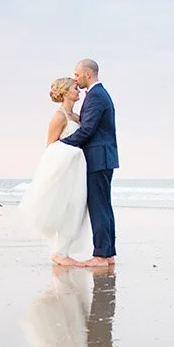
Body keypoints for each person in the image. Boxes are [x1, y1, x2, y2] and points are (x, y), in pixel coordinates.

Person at [17, 77, 93, 264]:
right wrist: (72, 152)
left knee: (76, 207)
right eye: (75, 88)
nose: (78, 91)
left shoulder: (77, 116)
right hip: (64, 169)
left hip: (77, 169)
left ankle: (63, 251)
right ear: (66, 91)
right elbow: (50, 146)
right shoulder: (60, 117)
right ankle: (59, 253)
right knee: (65, 207)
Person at [60, 58, 118, 266]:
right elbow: (89, 124)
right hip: (103, 157)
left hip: (98, 158)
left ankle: (102, 255)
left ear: (87, 74)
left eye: (77, 74)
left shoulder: (96, 96)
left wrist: (61, 145)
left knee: (98, 206)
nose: (75, 78)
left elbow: (87, 131)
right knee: (104, 205)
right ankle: (108, 253)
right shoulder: (99, 95)